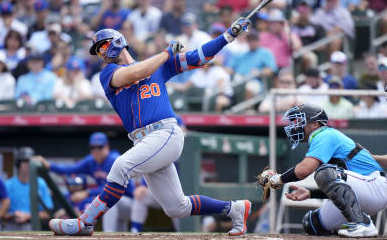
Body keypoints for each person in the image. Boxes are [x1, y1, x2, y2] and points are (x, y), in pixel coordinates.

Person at [48, 18, 253, 236]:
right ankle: (235, 208)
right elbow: (137, 73)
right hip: (144, 141)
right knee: (177, 207)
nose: (103, 53)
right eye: (99, 51)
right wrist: (166, 52)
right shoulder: (108, 73)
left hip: (165, 133)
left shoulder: (159, 66)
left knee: (120, 166)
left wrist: (228, 36)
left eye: (104, 45)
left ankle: (85, 222)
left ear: (119, 42)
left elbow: (198, 57)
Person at [260, 103, 387, 237]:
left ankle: (362, 223)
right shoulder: (321, 137)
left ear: (315, 124)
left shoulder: (324, 134)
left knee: (324, 172)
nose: (296, 126)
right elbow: (343, 188)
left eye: (300, 121)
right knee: (312, 223)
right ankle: (354, 224)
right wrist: (311, 194)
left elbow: (304, 170)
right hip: (362, 192)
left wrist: (277, 179)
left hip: (375, 186)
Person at [35, 132, 134, 232]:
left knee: (109, 202)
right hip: (117, 203)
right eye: (93, 147)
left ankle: (108, 233)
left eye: (100, 147)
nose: (96, 151)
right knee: (121, 231)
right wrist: (50, 165)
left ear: (107, 146)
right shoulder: (91, 161)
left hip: (130, 202)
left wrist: (87, 192)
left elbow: (113, 188)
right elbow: (71, 169)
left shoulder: (114, 159)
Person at [4, 147, 53, 231]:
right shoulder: (8, 184)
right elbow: (0, 212)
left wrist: (28, 215)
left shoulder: (41, 183)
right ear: (18, 163)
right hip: (11, 224)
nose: (27, 164)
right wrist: (13, 215)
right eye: (24, 161)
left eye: (29, 161)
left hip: (33, 225)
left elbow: (47, 213)